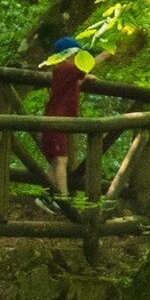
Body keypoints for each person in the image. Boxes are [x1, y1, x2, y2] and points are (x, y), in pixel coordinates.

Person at [39, 36, 92, 207]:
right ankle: (63, 202)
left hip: (56, 121)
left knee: (56, 161)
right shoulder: (67, 68)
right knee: (61, 161)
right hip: (57, 121)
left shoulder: (64, 71)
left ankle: (45, 197)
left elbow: (74, 82)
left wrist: (85, 79)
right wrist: (108, 53)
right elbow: (87, 65)